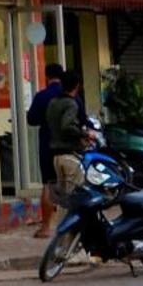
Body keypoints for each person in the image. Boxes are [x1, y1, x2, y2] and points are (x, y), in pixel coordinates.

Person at [27, 61, 68, 236]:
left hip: (47, 144)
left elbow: (32, 119)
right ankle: (67, 227)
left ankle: (46, 227)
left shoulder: (41, 96)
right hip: (67, 146)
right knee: (69, 184)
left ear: (47, 77)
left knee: (48, 185)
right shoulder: (68, 95)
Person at [46, 70, 90, 202]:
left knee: (63, 198)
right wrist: (85, 134)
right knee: (74, 197)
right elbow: (67, 126)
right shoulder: (71, 103)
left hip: (56, 155)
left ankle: (61, 222)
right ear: (77, 86)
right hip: (70, 155)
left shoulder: (53, 103)